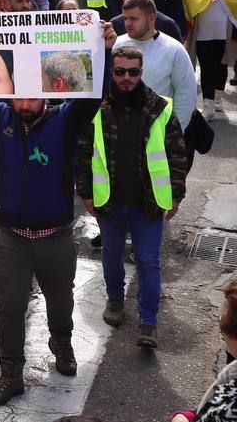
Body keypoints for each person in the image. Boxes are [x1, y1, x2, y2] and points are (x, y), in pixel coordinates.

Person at [0, 20, 111, 407]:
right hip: (9, 238)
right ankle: (11, 374)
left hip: (55, 237)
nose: (23, 105)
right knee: (9, 310)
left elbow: (92, 96)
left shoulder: (66, 119)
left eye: (31, 98)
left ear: (46, 96)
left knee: (61, 302)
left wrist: (103, 49)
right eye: (17, 98)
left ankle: (62, 344)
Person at [76, 45, 188, 352]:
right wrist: (85, 192)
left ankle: (148, 322)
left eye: (133, 72)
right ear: (112, 72)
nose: (127, 78)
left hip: (148, 203)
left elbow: (178, 153)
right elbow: (83, 153)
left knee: (149, 263)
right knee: (111, 255)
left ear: (142, 72)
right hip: (109, 201)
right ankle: (115, 299)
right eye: (120, 71)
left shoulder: (160, 108)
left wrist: (176, 193)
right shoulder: (96, 108)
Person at [168, 279, 237, 422]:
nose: (221, 318)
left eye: (226, 314)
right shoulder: (233, 371)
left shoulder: (229, 415)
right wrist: (189, 417)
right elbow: (214, 406)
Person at [113, 0, 196, 127]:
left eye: (133, 19)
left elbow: (186, 95)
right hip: (118, 130)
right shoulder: (115, 45)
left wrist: (175, 132)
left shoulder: (174, 50)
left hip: (158, 132)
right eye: (125, 18)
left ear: (152, 18)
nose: (128, 23)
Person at [183, 0, 237, 116]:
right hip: (203, 35)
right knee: (206, 68)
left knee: (221, 67)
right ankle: (208, 106)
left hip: (224, 34)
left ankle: (218, 98)